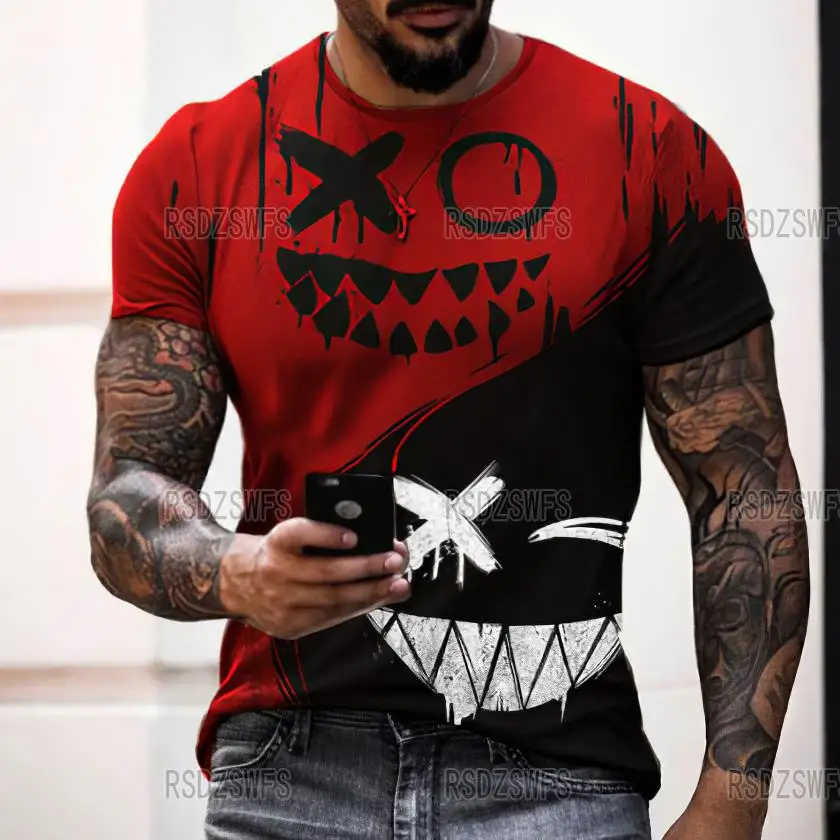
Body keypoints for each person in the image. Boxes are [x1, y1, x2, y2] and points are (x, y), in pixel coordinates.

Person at [87, 1, 810, 838]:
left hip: (560, 778)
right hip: (289, 774)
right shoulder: (199, 166)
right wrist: (236, 572)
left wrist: (733, 805)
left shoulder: (648, 150)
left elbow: (742, 492)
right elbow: (127, 492)